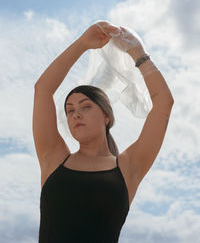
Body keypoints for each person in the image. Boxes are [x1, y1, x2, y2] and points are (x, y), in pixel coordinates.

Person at [32, 21, 174, 242]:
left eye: (86, 106)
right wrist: (82, 44)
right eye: (69, 111)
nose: (75, 114)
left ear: (107, 116)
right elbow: (43, 90)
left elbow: (163, 103)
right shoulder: (52, 157)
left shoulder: (129, 167)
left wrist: (138, 53)